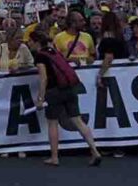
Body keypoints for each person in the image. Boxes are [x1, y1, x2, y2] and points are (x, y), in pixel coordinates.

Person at [28, 31, 102, 168]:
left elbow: (43, 78)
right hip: (69, 88)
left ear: (36, 42)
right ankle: (95, 150)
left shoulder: (39, 57)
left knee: (52, 123)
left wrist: (40, 98)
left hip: (53, 91)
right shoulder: (54, 51)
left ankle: (54, 157)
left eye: (30, 41)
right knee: (78, 120)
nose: (29, 44)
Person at [96, 12, 129, 84]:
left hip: (109, 72)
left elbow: (108, 57)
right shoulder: (120, 37)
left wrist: (100, 75)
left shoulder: (108, 38)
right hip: (122, 71)